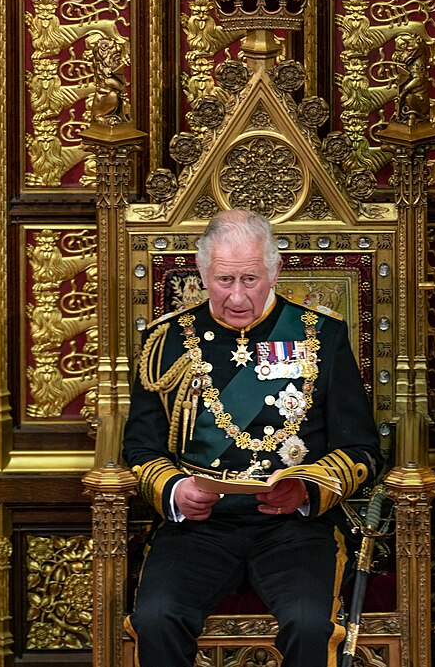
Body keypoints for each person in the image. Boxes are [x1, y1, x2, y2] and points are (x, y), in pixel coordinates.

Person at [122, 209, 381, 666]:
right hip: (200, 529)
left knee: (308, 621)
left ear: (275, 271)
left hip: (295, 528)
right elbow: (141, 448)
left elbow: (362, 449)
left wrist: (306, 490)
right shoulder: (165, 342)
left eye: (250, 279)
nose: (237, 296)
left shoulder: (322, 336)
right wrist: (177, 491)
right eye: (223, 280)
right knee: (156, 617)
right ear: (202, 273)